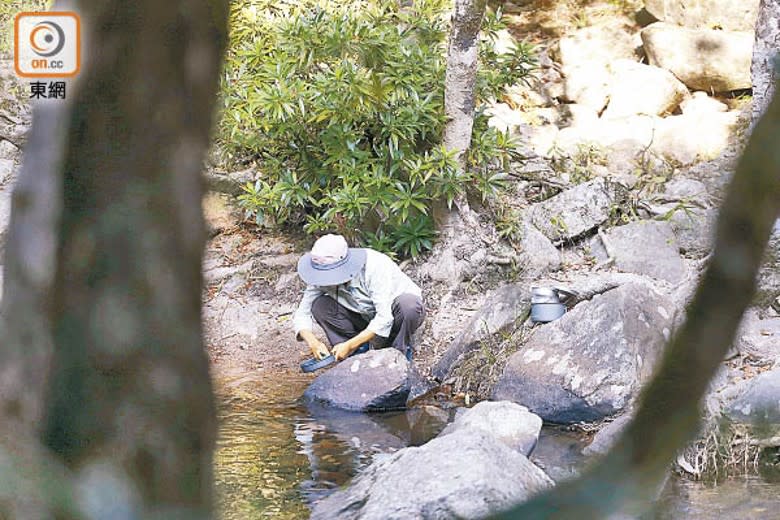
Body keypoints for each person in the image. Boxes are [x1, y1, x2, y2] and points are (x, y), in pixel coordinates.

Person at [293, 234, 425, 362]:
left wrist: (350, 344)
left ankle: (399, 352)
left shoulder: (374, 266)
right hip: (363, 317)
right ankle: (355, 351)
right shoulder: (319, 275)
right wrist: (313, 342)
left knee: (409, 306)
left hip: (395, 314)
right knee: (320, 306)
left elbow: (384, 317)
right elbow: (302, 312)